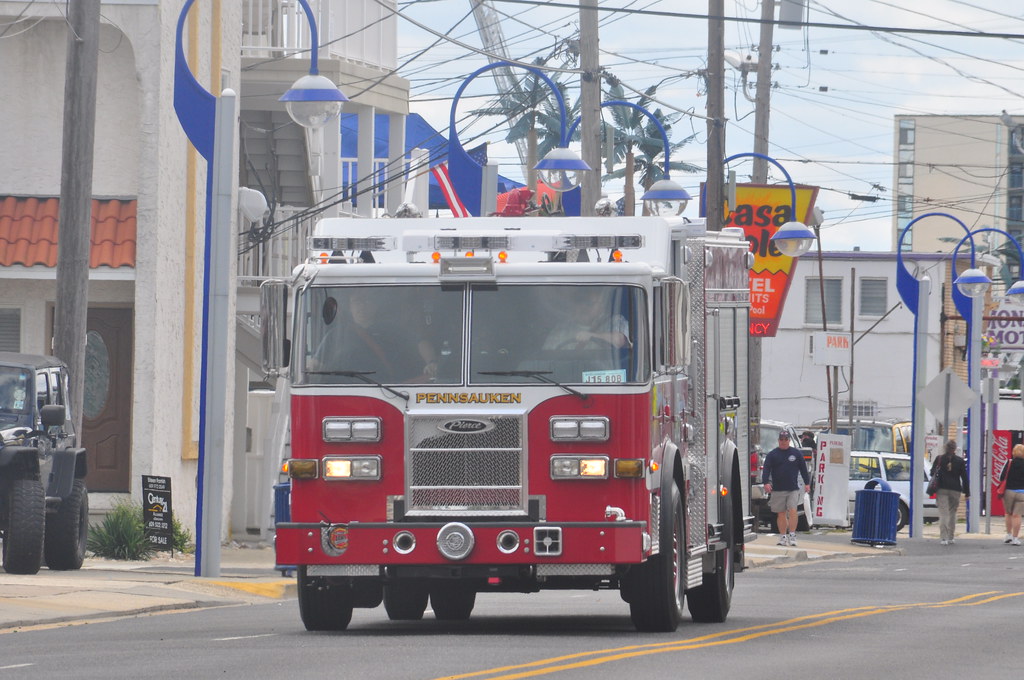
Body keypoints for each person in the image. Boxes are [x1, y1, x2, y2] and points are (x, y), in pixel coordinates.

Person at [761, 430, 811, 547]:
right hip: (778, 489)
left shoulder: (796, 454)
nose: (784, 442)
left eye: (786, 440)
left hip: (793, 488)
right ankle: (783, 536)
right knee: (781, 513)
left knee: (793, 510)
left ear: (789, 441)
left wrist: (807, 483)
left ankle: (792, 535)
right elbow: (766, 469)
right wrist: (766, 483)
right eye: (781, 440)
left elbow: (803, 469)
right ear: (778, 441)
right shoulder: (773, 455)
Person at [542, 288, 630, 350]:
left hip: (605, 371)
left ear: (601, 306)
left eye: (589, 303)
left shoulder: (615, 321)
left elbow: (620, 340)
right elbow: (547, 355)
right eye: (579, 302)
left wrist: (592, 336)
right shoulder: (562, 329)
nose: (584, 307)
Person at [931, 439, 970, 545]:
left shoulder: (939, 459)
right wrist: (967, 492)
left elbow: (932, 472)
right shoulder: (960, 461)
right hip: (955, 489)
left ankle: (943, 538)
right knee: (952, 513)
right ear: (954, 449)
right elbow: (964, 477)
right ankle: (951, 537)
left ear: (945, 448)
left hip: (942, 488)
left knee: (943, 513)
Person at [998, 444, 1024, 546]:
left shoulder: (1009, 462)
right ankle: (1015, 538)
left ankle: (1008, 534)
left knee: (1008, 513)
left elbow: (1001, 476)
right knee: (1017, 515)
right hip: (1022, 492)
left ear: (1014, 452)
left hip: (1009, 491)